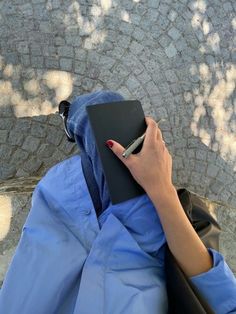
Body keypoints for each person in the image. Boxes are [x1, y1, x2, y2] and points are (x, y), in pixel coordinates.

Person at [0, 90, 235, 314]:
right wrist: (161, 189)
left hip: (55, 260)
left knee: (103, 116)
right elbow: (215, 289)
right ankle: (72, 119)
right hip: (141, 257)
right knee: (106, 109)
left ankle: (71, 119)